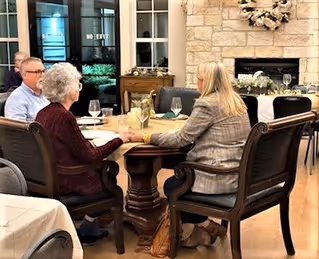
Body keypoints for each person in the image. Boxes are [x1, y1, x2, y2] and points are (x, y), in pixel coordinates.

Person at [130, 62, 251, 247]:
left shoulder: (207, 104)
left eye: (199, 79)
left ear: (206, 81)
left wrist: (145, 137)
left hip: (216, 175)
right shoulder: (236, 100)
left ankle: (206, 226)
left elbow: (181, 139)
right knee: (179, 173)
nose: (197, 83)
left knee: (172, 186)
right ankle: (198, 228)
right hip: (235, 173)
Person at [35, 62, 132, 245]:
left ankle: (89, 229)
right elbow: (90, 157)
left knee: (104, 173)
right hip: (67, 181)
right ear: (68, 89)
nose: (80, 88)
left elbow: (71, 146)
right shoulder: (65, 117)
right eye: (78, 84)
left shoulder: (44, 112)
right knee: (111, 180)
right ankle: (88, 229)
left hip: (49, 177)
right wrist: (121, 139)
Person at [4, 57, 49, 121]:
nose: (43, 75)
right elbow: (16, 129)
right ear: (24, 75)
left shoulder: (48, 93)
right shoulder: (16, 99)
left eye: (43, 71)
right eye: (38, 72)